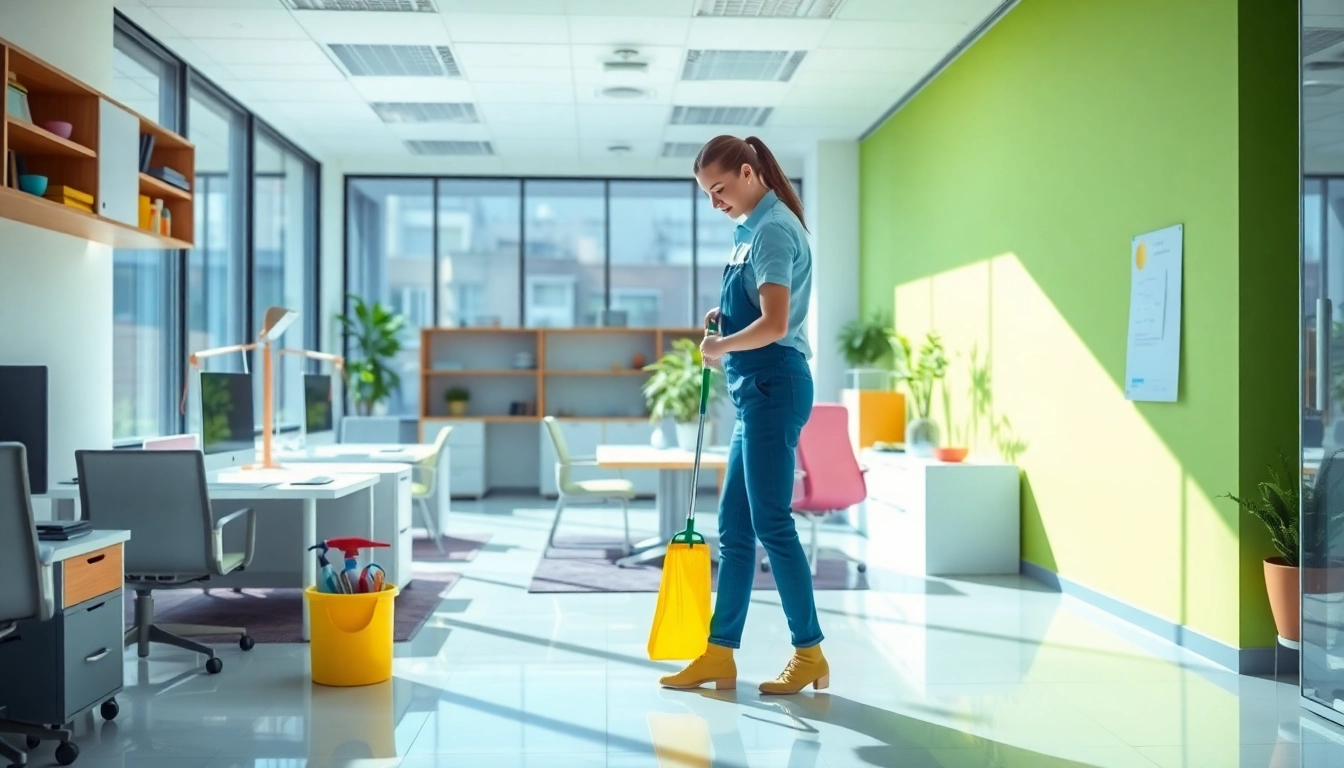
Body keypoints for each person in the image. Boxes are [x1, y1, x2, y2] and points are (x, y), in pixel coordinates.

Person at [659, 135, 825, 696]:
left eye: (720, 189)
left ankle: (809, 653)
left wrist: (720, 346)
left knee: (772, 524)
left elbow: (777, 325)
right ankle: (719, 654)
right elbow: (760, 306)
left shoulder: (774, 230)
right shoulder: (751, 230)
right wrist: (725, 314)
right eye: (708, 193)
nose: (715, 202)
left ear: (750, 173)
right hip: (757, 389)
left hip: (774, 383)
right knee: (734, 530)